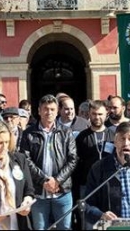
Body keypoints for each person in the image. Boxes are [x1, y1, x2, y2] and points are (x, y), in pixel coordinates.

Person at [20, 94, 77, 230]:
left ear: (57, 111)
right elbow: (25, 159)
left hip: (62, 191)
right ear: (39, 110)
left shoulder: (66, 132)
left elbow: (73, 159)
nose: (49, 112)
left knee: (65, 228)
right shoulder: (29, 133)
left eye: (52, 109)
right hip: (39, 192)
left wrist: (57, 180)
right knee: (40, 228)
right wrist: (44, 180)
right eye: (45, 109)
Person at [74, 100, 115, 199]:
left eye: (100, 114)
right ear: (89, 114)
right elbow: (76, 161)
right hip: (87, 183)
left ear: (106, 114)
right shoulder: (82, 137)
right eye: (94, 114)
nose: (97, 117)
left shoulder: (113, 136)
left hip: (108, 182)